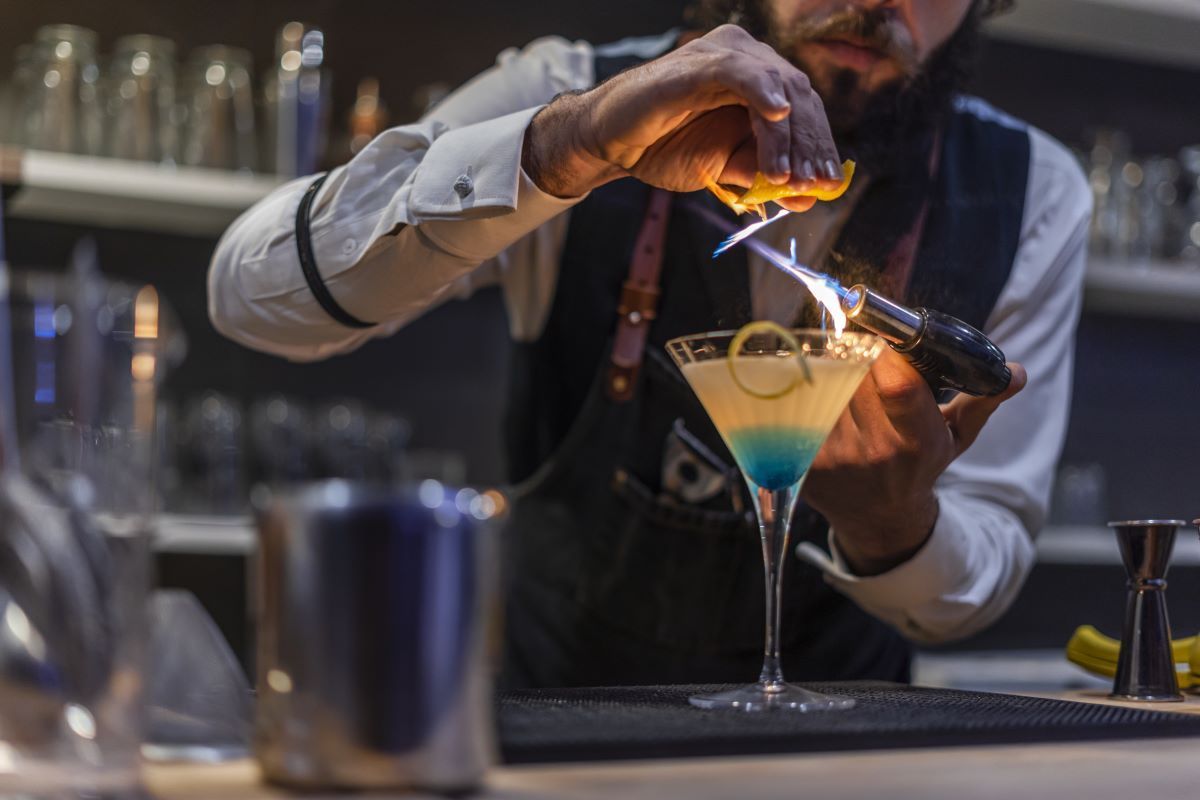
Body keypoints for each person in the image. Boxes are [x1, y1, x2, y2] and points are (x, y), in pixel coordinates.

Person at [209, 0, 1090, 687]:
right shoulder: (570, 88)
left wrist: (892, 523)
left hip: (841, 757)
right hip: (562, 742)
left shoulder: (1031, 189)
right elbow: (252, 296)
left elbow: (981, 573)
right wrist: (566, 147)